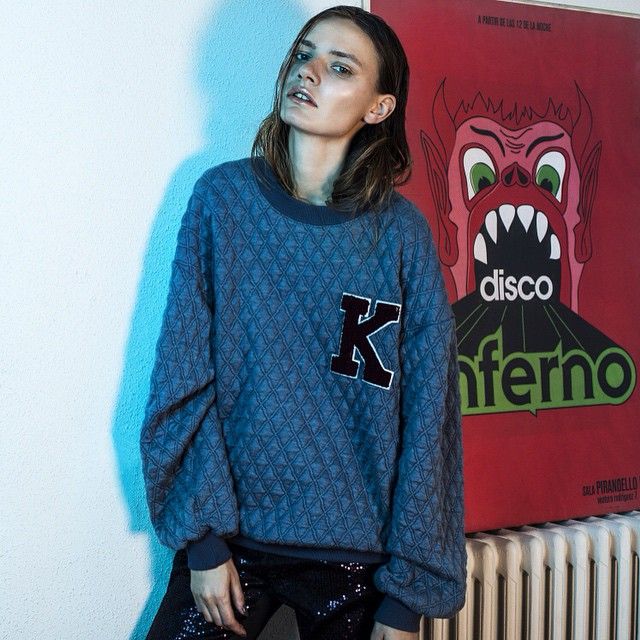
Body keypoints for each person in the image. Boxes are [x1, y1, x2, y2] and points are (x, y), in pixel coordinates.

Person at [140, 5, 467, 640]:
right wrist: (203, 542)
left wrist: (408, 597)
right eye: (303, 54)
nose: (309, 72)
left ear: (379, 107)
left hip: (359, 561)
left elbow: (430, 421)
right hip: (233, 544)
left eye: (340, 67)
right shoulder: (222, 202)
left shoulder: (401, 236)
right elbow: (182, 377)